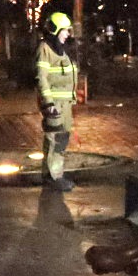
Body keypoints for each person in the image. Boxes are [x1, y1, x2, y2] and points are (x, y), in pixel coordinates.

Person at [35, 12, 77, 192]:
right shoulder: (45, 49)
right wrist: (48, 103)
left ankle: (54, 173)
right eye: (65, 30)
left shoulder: (61, 50)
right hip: (55, 105)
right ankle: (53, 177)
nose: (68, 34)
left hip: (64, 104)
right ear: (56, 30)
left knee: (61, 138)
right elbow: (41, 78)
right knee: (54, 139)